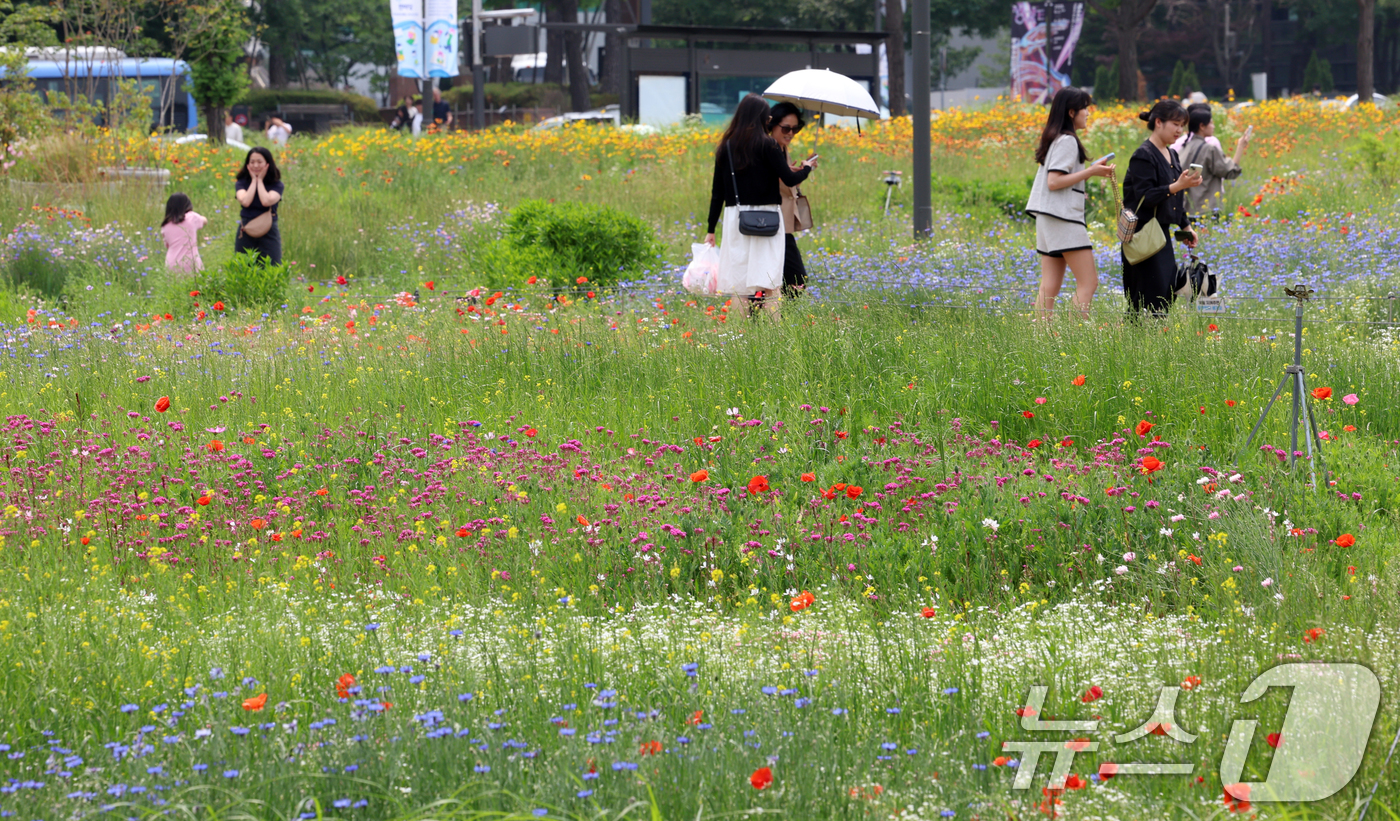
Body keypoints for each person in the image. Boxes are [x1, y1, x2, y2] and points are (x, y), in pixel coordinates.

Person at [705, 95, 816, 317]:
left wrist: (710, 230)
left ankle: (740, 336)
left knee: (741, 286)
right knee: (770, 282)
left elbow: (717, 193)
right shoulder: (768, 145)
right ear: (762, 119)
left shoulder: (726, 148)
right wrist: (807, 168)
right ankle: (771, 335)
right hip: (767, 218)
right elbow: (789, 179)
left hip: (735, 218)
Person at [1024, 87, 1114, 317]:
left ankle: (1041, 337)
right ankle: (1075, 336)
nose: (1088, 113)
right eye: (1085, 108)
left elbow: (1055, 182)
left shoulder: (1056, 138)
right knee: (1089, 282)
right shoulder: (1068, 141)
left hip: (1048, 217)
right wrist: (1091, 172)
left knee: (1050, 284)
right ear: (1072, 112)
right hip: (1063, 218)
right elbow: (1054, 181)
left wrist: (1083, 180)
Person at [1121, 100, 1201, 317]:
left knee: (1165, 291)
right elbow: (1146, 197)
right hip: (1143, 234)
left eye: (1182, 125)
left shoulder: (1171, 154)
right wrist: (1178, 185)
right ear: (1158, 122)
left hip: (1160, 233)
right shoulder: (1143, 155)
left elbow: (1173, 197)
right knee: (1146, 293)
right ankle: (1138, 342)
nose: (1180, 130)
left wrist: (1185, 225)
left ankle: (1152, 339)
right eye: (1175, 124)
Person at [766, 101, 811, 300]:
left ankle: (775, 316)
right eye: (786, 128)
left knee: (789, 277)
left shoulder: (782, 149)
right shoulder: (770, 148)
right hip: (773, 224)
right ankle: (776, 316)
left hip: (783, 224)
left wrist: (791, 170)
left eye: (795, 129)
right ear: (772, 125)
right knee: (795, 277)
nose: (791, 133)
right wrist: (805, 170)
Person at [1179, 104, 1250, 216]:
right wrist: (1241, 146)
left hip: (1187, 209)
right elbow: (1230, 172)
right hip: (1206, 209)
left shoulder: (1184, 147)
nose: (1213, 126)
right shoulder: (1208, 149)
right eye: (1211, 123)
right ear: (1202, 126)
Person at [233, 147, 285, 265]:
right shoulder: (241, 183)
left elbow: (266, 201)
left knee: (273, 266)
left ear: (267, 163)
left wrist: (260, 181)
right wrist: (253, 181)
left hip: (269, 229)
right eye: (252, 162)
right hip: (246, 228)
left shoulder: (276, 184)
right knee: (243, 267)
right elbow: (245, 201)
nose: (255, 165)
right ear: (247, 164)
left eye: (259, 162)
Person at [160, 192, 207, 274]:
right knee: (195, 286)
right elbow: (204, 220)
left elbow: (167, 245)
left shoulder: (165, 225)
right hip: (191, 263)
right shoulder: (192, 217)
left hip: (172, 264)